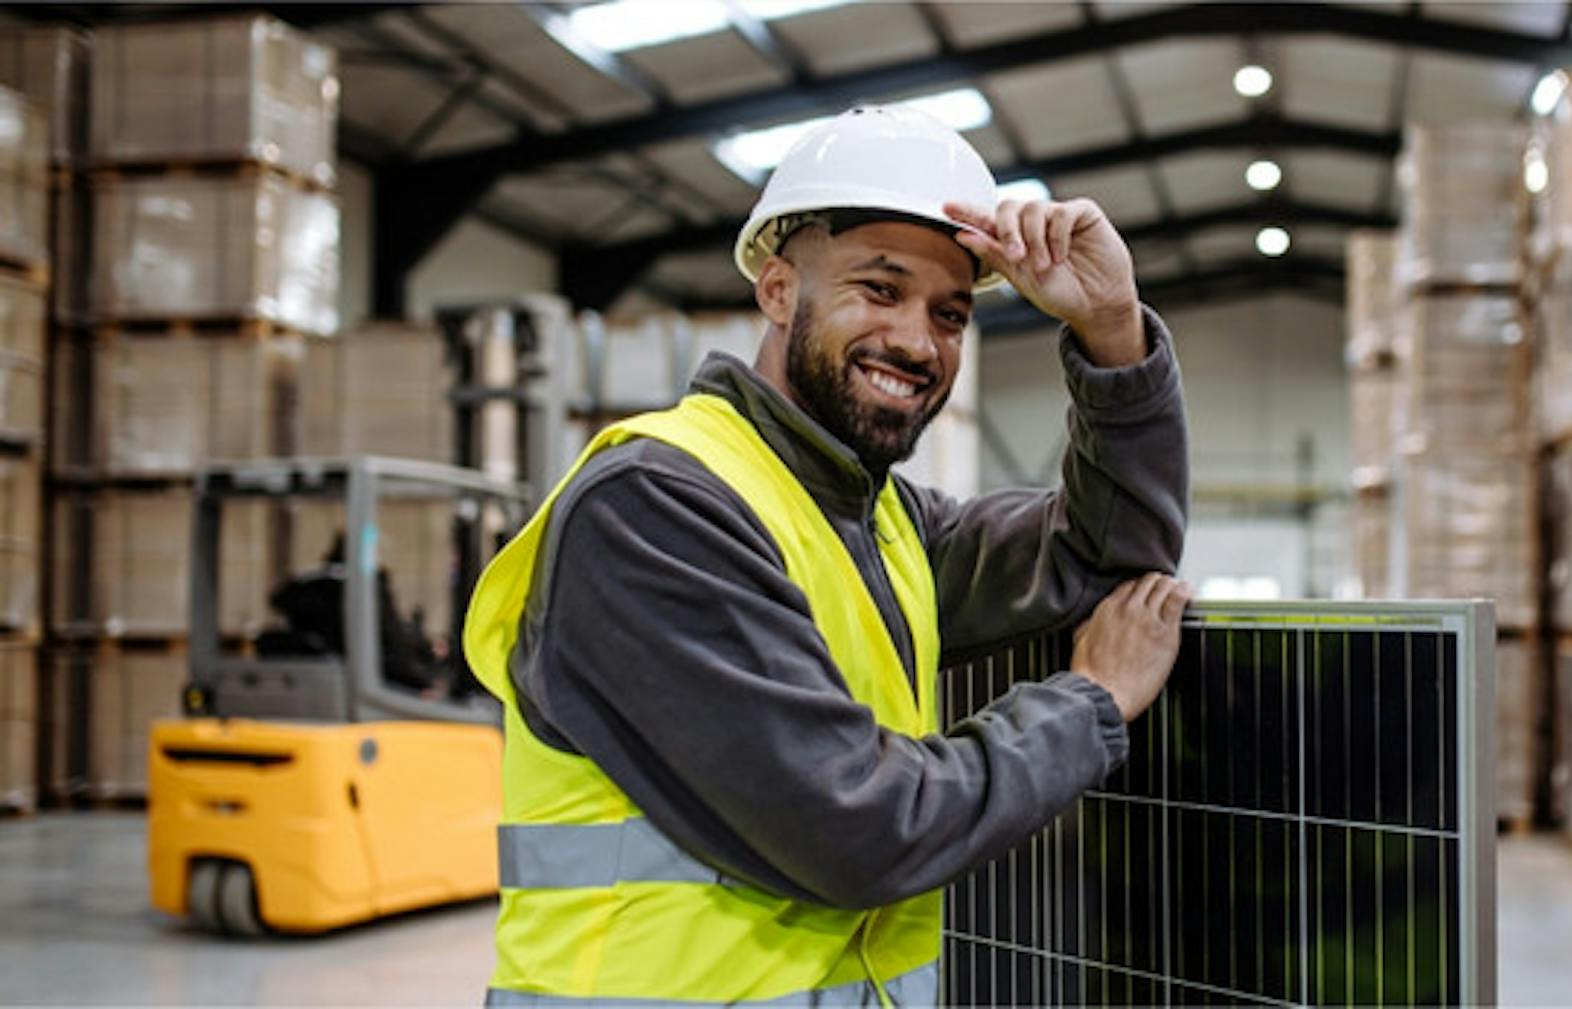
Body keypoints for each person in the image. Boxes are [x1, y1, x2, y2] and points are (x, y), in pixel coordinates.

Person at [463, 104, 1190, 1007]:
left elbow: (1110, 558)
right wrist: (1091, 706)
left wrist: (1113, 331)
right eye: (879, 290)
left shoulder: (881, 522)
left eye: (951, 313)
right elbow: (860, 826)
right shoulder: (653, 509)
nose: (918, 343)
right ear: (776, 289)